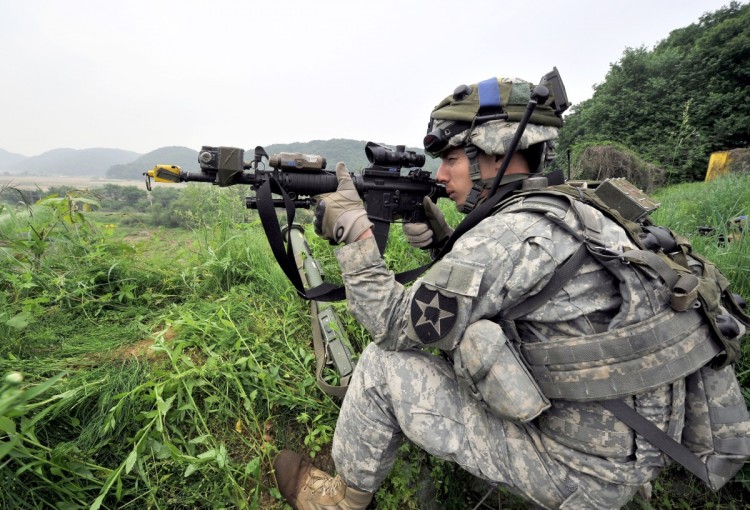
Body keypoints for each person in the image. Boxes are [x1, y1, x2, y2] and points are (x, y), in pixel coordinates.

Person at [271, 75, 741, 509]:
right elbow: (504, 289)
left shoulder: (510, 237)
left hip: (581, 470)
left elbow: (393, 324)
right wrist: (443, 241)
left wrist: (354, 235)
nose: (441, 176)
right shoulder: (579, 204)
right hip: (641, 441)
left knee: (380, 366)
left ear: (495, 155)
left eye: (451, 159)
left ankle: (337, 501)